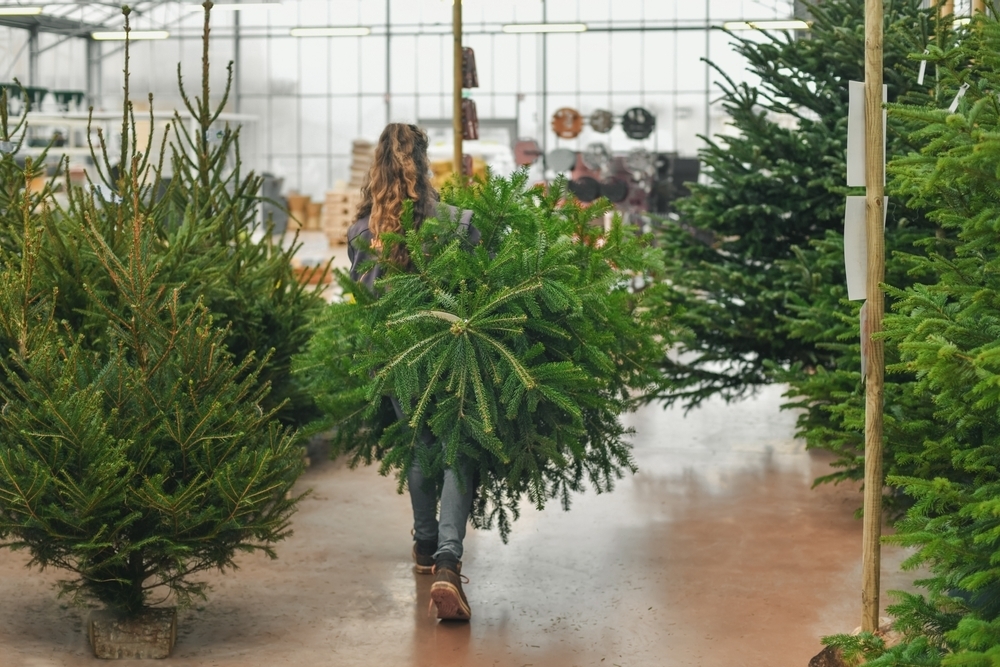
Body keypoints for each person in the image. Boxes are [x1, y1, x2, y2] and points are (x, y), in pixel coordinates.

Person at [347, 123, 478, 621]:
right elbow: (483, 286)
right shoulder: (458, 223)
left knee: (421, 443)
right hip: (452, 354)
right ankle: (447, 560)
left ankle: (424, 545)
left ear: (375, 168)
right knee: (457, 447)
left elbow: (363, 301)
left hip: (396, 358)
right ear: (424, 166)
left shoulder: (362, 233)